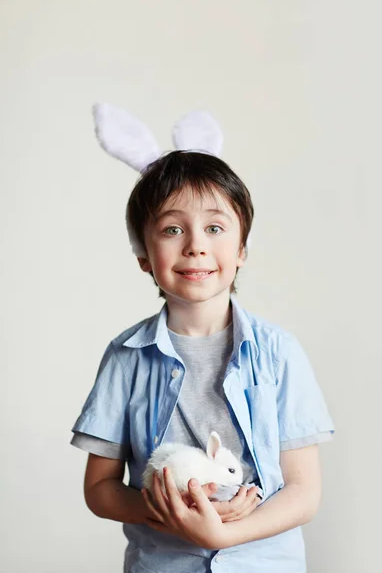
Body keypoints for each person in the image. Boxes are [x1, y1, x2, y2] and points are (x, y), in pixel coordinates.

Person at [71, 117, 335, 572]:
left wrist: (224, 533)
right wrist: (170, 515)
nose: (195, 245)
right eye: (172, 229)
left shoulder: (280, 354)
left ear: (242, 250)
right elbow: (100, 488)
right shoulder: (125, 358)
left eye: (215, 228)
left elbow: (303, 492)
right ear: (143, 255)